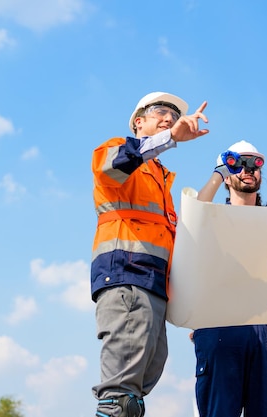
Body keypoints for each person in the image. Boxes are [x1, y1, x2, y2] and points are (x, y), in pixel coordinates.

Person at [91, 91, 209, 417]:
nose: (168, 117)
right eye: (160, 111)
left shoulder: (161, 180)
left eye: (173, 114)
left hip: (153, 285)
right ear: (138, 122)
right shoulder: (117, 152)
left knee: (137, 393)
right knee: (121, 398)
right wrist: (170, 137)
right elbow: (115, 165)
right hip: (127, 275)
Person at [191, 140, 267, 417]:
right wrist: (220, 172)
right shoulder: (210, 218)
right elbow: (192, 216)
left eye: (255, 164)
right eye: (239, 164)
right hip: (219, 323)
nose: (248, 170)